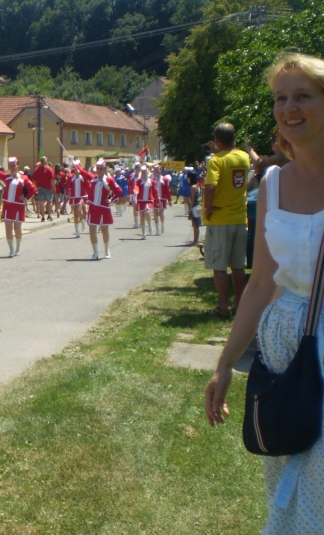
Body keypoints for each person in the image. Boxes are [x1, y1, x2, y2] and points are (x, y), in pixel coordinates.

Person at [205, 53, 324, 533]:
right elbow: (259, 283)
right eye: (280, 98)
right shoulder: (272, 182)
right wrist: (224, 365)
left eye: (303, 96)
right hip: (283, 352)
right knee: (290, 477)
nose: (288, 108)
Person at [202, 122, 250, 317]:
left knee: (218, 266)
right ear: (234, 138)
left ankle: (223, 307)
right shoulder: (244, 157)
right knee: (238, 266)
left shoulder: (216, 161)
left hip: (220, 218)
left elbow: (210, 186)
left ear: (217, 140)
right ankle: (239, 305)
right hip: (239, 218)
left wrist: (207, 206)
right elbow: (231, 158)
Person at [79, 159, 122, 259]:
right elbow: (84, 173)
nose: (99, 170)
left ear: (105, 169)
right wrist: (76, 165)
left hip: (104, 208)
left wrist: (111, 199)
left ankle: (107, 250)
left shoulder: (109, 180)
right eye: (98, 169)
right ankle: (96, 253)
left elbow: (119, 190)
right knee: (92, 229)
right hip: (93, 207)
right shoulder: (93, 178)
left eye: (101, 169)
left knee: (104, 230)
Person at [0, 156, 35, 256]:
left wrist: (25, 198)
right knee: (8, 228)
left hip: (18, 206)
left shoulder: (24, 178)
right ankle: (11, 249)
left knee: (17, 228)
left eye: (14, 165)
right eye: (11, 166)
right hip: (7, 206)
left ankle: (18, 246)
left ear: (18, 166)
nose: (12, 167)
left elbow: (33, 189)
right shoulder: (7, 177)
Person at [66, 161, 89, 238]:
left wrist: (90, 196)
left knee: (79, 210)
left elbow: (88, 186)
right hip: (73, 197)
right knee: (75, 215)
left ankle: (83, 220)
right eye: (75, 168)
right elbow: (68, 186)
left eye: (77, 168)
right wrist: (66, 194)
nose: (76, 170)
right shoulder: (70, 177)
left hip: (82, 196)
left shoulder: (83, 177)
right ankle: (77, 232)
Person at [32, 156, 56, 221]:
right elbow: (52, 180)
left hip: (40, 188)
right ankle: (49, 215)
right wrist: (54, 187)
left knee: (41, 203)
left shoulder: (37, 170)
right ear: (45, 161)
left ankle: (43, 217)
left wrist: (35, 187)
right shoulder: (50, 169)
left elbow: (34, 180)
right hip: (48, 188)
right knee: (49, 202)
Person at [135, 165, 156, 239]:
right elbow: (136, 186)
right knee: (142, 217)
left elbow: (155, 191)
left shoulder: (151, 181)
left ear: (147, 173)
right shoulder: (139, 181)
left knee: (147, 213)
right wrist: (136, 191)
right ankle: (144, 233)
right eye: (142, 173)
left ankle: (150, 225)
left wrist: (158, 200)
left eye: (145, 173)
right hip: (141, 201)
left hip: (149, 200)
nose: (143, 174)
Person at [152, 163, 172, 236]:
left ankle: (162, 225)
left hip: (163, 199)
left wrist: (169, 200)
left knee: (160, 214)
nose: (157, 171)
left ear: (160, 170)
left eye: (158, 170)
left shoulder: (164, 179)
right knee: (155, 214)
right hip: (154, 199)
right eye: (155, 170)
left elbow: (168, 190)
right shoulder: (152, 180)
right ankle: (157, 230)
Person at [187, 170, 202, 246]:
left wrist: (190, 209)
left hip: (194, 207)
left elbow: (192, 199)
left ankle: (195, 241)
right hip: (198, 206)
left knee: (195, 225)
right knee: (195, 224)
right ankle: (195, 240)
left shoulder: (193, 187)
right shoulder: (198, 185)